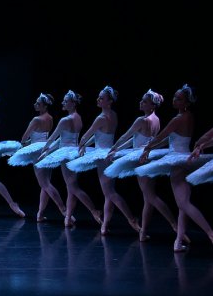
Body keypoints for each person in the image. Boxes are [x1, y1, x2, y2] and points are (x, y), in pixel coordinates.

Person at [135, 84, 213, 252]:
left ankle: (210, 233)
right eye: (174, 97)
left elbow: (162, 135)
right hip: (186, 157)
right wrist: (151, 147)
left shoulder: (178, 119)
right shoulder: (189, 116)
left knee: (183, 203)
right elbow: (169, 139)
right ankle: (178, 242)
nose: (174, 100)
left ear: (186, 103)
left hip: (177, 161)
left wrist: (148, 148)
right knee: (182, 204)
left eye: (178, 98)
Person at [103, 89, 178, 241]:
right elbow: (135, 140)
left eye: (144, 101)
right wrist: (117, 148)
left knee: (151, 196)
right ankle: (143, 232)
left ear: (152, 105)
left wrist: (114, 147)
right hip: (149, 156)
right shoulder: (156, 119)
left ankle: (175, 225)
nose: (140, 103)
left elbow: (127, 135)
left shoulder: (141, 120)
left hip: (140, 157)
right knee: (147, 198)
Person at [65, 86, 141, 235]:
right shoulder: (113, 115)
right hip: (108, 152)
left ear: (109, 101)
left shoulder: (101, 118)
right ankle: (105, 225)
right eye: (98, 97)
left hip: (103, 155)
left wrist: (82, 144)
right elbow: (99, 135)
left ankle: (131, 219)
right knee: (108, 193)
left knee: (110, 193)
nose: (98, 100)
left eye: (101, 98)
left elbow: (87, 134)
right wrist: (85, 144)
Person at [35, 90, 102, 228]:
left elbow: (53, 137)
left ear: (73, 103)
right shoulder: (78, 118)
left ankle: (93, 210)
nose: (63, 103)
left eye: (66, 101)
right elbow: (62, 138)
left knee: (73, 187)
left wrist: (44, 150)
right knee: (71, 187)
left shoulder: (65, 120)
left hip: (66, 153)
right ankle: (68, 218)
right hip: (74, 151)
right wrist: (47, 151)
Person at [8, 93, 67, 222]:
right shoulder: (50, 118)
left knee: (45, 184)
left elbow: (25, 137)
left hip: (37, 151)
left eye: (38, 103)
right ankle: (40, 214)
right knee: (45, 184)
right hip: (47, 148)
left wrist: (24, 144)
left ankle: (64, 211)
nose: (35, 105)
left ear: (44, 106)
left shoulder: (36, 120)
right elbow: (42, 137)